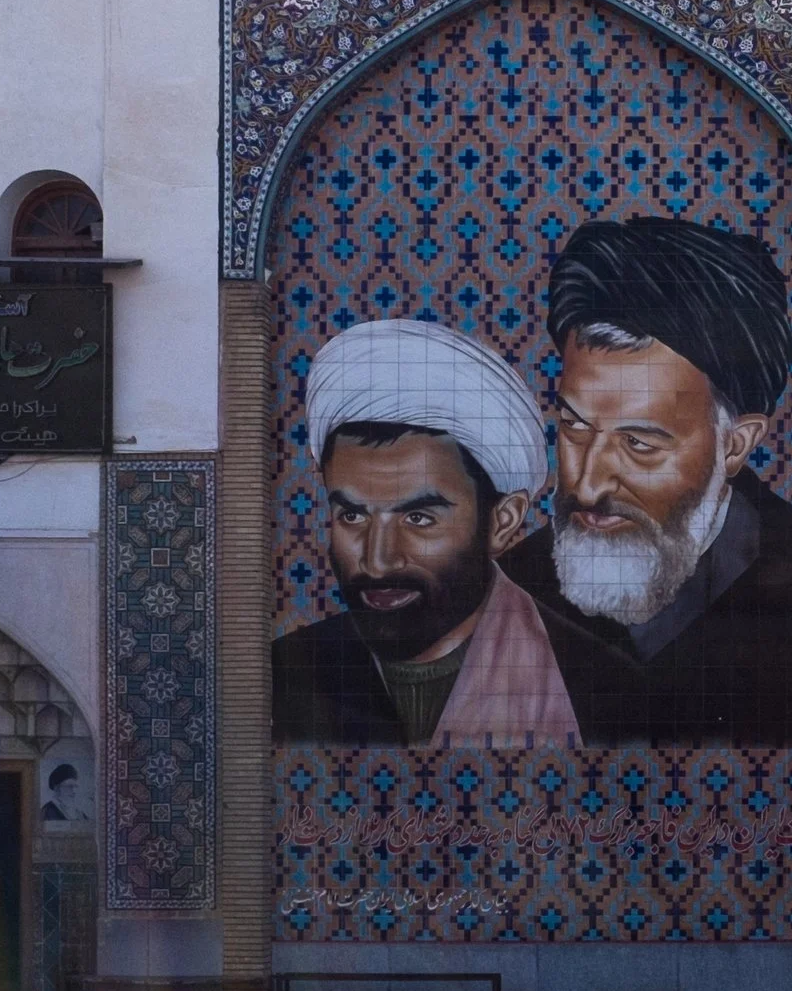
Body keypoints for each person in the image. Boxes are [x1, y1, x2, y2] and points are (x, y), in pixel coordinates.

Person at [499, 216, 792, 747]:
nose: (587, 485)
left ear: (735, 444)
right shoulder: (504, 597)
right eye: (574, 428)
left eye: (640, 444)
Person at [272, 320, 635, 747]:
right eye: (353, 516)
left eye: (418, 519)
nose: (378, 559)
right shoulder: (286, 672)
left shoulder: (601, 687)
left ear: (503, 522)